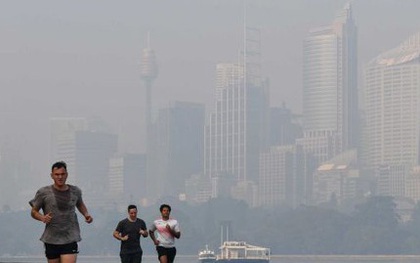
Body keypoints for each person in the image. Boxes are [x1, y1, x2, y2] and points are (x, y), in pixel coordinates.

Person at [29, 161, 93, 263]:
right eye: (57, 174)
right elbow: (33, 211)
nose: (60, 177)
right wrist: (42, 217)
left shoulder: (75, 191)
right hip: (51, 238)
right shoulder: (43, 192)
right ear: (52, 175)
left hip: (70, 237)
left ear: (66, 175)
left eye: (62, 174)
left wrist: (86, 215)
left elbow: (80, 204)